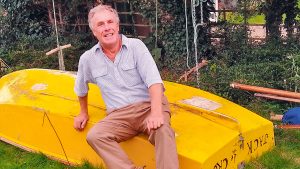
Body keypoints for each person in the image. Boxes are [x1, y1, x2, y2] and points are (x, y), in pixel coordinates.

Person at [74, 4, 179, 169]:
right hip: (119, 115)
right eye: (100, 24)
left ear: (117, 25)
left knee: (163, 131)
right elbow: (81, 88)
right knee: (95, 136)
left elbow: (154, 81)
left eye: (110, 22)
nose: (107, 27)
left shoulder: (135, 46)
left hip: (147, 107)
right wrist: (83, 112)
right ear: (94, 31)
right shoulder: (87, 59)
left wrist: (157, 113)